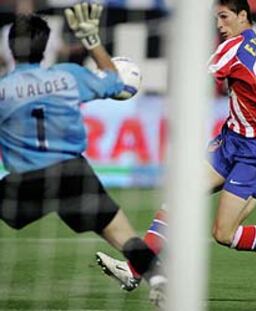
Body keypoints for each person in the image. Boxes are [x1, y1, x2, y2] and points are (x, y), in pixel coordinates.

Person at [96, 0, 256, 290]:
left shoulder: (233, 49)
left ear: (242, 16)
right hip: (231, 142)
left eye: (224, 17)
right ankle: (135, 270)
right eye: (216, 19)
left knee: (224, 234)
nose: (219, 25)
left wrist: (130, 80)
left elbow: (196, 78)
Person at [0, 3, 166, 308]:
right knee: (122, 234)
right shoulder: (69, 76)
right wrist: (93, 42)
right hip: (72, 173)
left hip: (24, 181)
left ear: (11, 48)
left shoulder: (3, 90)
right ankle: (157, 277)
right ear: (45, 46)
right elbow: (117, 82)